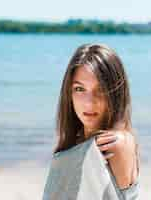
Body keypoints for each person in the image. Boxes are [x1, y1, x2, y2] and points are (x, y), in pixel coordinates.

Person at [45, 43, 140, 199]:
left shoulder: (115, 144)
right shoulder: (77, 143)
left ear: (116, 93)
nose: (89, 103)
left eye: (101, 89)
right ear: (69, 94)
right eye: (80, 89)